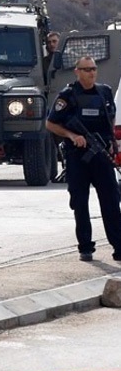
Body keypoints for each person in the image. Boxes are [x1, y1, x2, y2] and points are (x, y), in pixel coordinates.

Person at [45, 56, 121, 262]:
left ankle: (119, 246)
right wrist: (71, 135)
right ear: (77, 72)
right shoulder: (68, 95)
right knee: (80, 202)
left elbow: (110, 117)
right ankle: (85, 247)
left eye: (94, 69)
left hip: (101, 154)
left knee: (111, 200)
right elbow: (51, 124)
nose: (91, 73)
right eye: (86, 69)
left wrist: (110, 142)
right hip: (78, 156)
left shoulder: (104, 92)